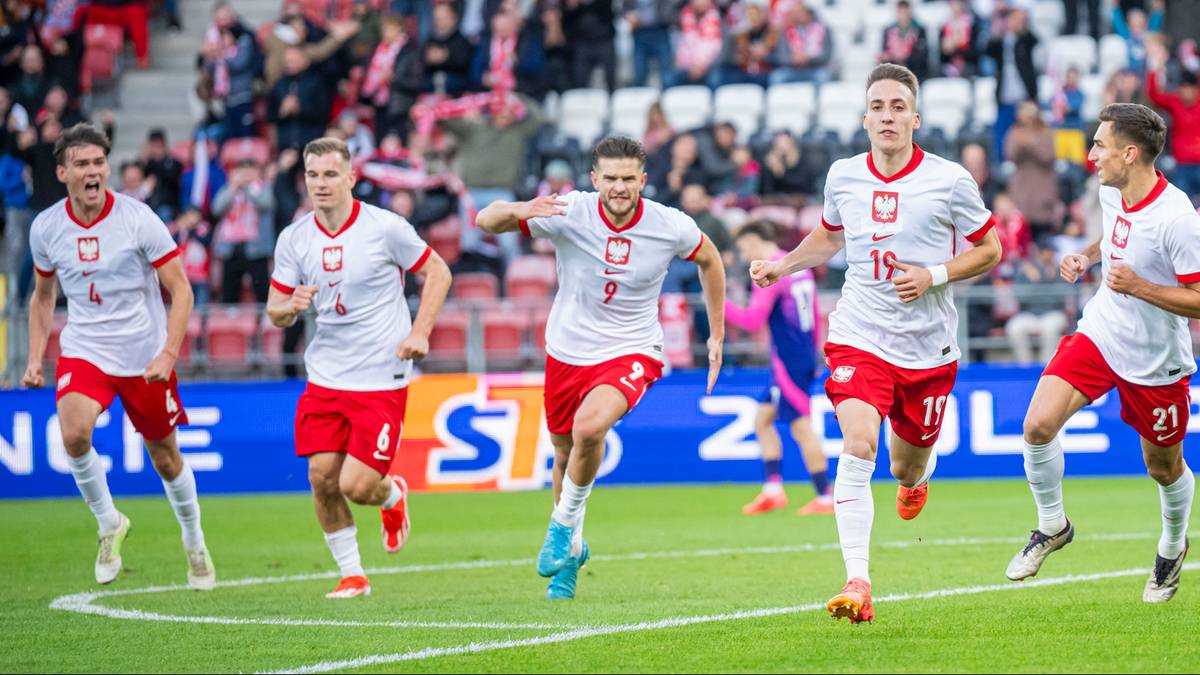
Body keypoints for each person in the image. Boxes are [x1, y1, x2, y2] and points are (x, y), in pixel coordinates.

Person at [750, 64, 1002, 623]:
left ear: (916, 117)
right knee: (858, 443)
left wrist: (933, 274)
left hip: (928, 350)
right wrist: (783, 265)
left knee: (904, 467)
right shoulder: (843, 176)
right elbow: (829, 236)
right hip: (859, 335)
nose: (887, 116)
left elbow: (990, 251)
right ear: (864, 118)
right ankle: (858, 581)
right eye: (878, 106)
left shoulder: (950, 180)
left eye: (897, 107)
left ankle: (918, 479)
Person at [476, 136, 726, 600]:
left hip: (633, 349)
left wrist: (716, 333)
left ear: (643, 181)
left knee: (590, 429)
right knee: (565, 451)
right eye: (609, 178)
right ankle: (570, 554)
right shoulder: (569, 210)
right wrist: (523, 208)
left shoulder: (668, 225)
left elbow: (710, 259)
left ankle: (558, 529)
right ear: (595, 180)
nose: (619, 187)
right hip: (567, 350)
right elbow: (483, 220)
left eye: (628, 179)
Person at [1005, 103, 1200, 603]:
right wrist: (1086, 255)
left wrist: (1140, 286)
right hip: (1102, 332)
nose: (1091, 154)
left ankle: (1173, 544)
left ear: (1129, 154)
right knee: (1037, 426)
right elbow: (1116, 238)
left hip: (1157, 359)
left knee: (1163, 467)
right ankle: (1053, 525)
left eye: (1099, 145)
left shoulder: (1178, 219)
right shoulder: (1112, 191)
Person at [22, 123, 213, 588]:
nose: (93, 172)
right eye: (82, 164)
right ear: (63, 172)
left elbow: (181, 289)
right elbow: (43, 296)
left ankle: (194, 539)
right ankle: (109, 522)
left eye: (99, 163)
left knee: (166, 458)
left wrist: (169, 352)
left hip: (144, 354)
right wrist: (33, 358)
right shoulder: (46, 228)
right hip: (86, 348)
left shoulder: (137, 218)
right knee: (73, 435)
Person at [266, 137, 452, 599]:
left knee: (357, 485)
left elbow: (440, 273)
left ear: (351, 178)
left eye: (331, 174)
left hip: (379, 376)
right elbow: (274, 309)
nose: (321, 184)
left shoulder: (385, 227)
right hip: (325, 376)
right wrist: (290, 306)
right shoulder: (295, 238)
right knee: (321, 479)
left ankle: (391, 496)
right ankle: (353, 575)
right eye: (313, 175)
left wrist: (420, 332)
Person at [728, 220, 831, 516]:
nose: (743, 252)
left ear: (755, 240)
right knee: (762, 419)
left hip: (787, 361)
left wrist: (719, 303)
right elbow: (813, 312)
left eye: (744, 245)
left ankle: (825, 495)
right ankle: (773, 490)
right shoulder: (799, 266)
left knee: (801, 427)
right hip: (802, 355)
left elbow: (753, 320)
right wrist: (815, 353)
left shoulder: (771, 271)